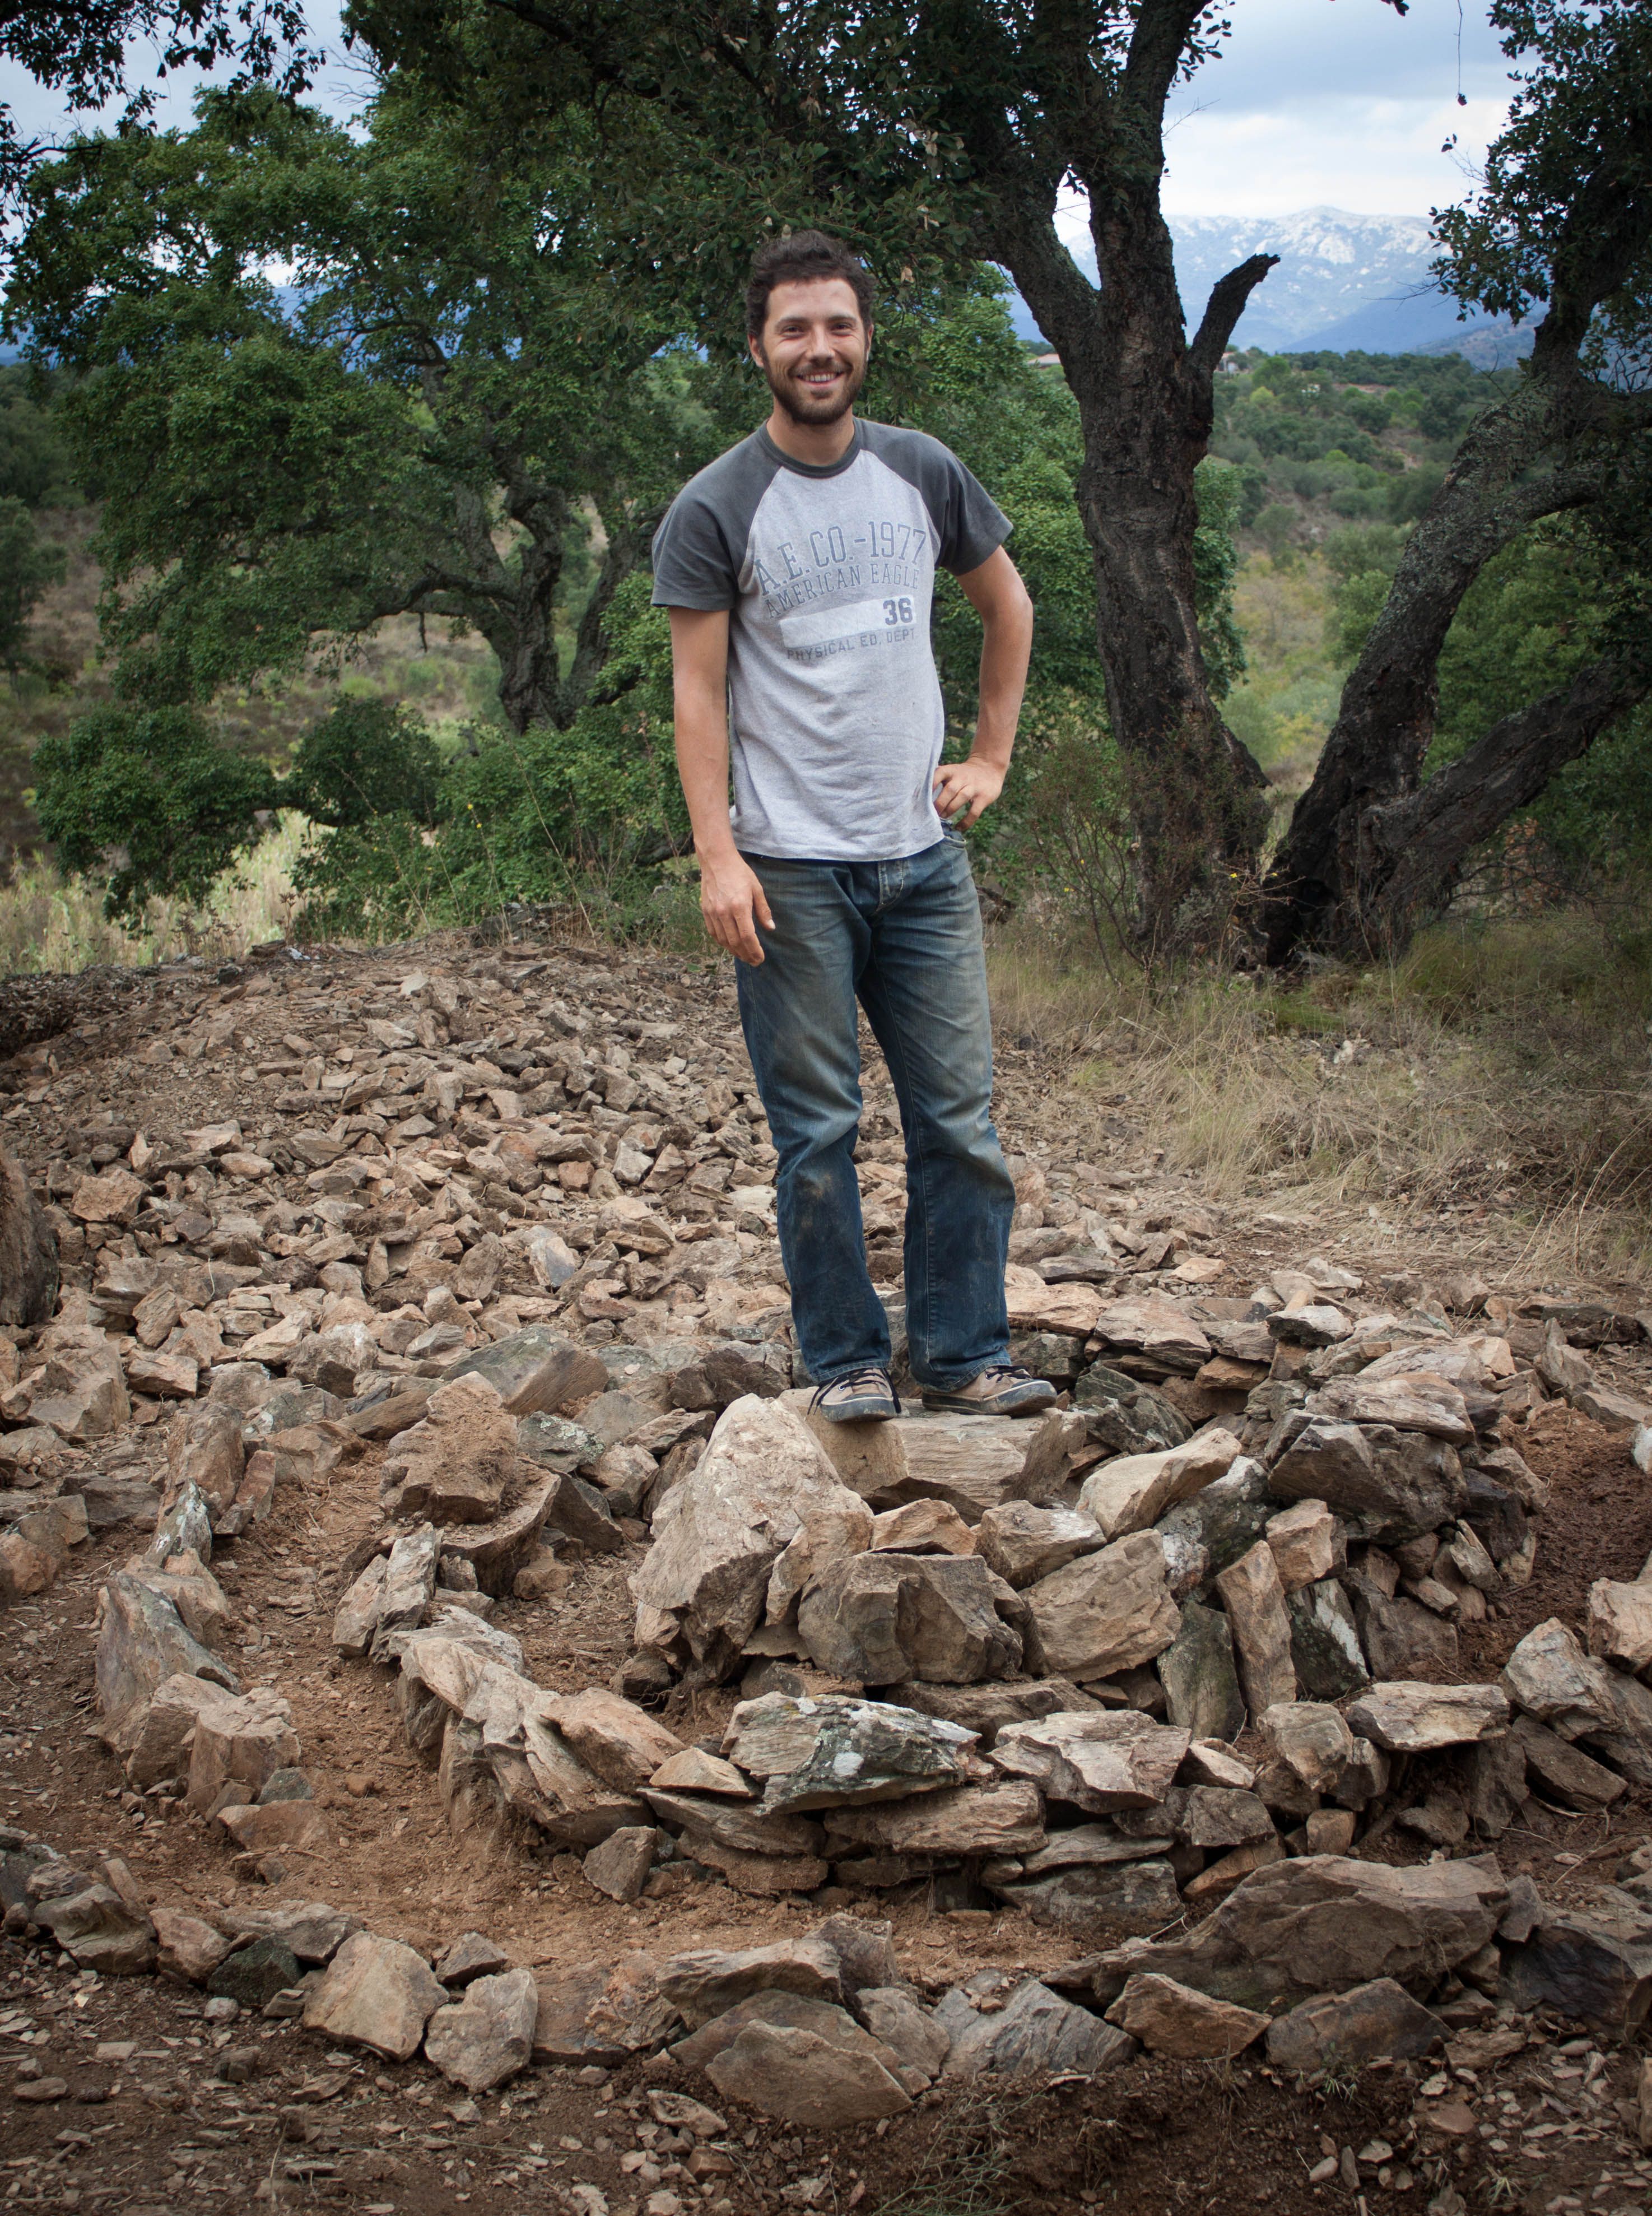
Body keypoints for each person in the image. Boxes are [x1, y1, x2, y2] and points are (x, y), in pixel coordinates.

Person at [651, 228, 1053, 1426]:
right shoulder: (716, 504)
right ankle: (842, 1362)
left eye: (837, 325)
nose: (818, 349)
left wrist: (989, 755)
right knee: (817, 1133)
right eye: (794, 329)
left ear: (864, 337)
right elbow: (696, 691)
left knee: (961, 1125)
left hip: (922, 860)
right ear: (757, 348)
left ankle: (963, 1352)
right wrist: (716, 853)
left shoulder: (922, 471)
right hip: (789, 872)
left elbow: (1006, 603)